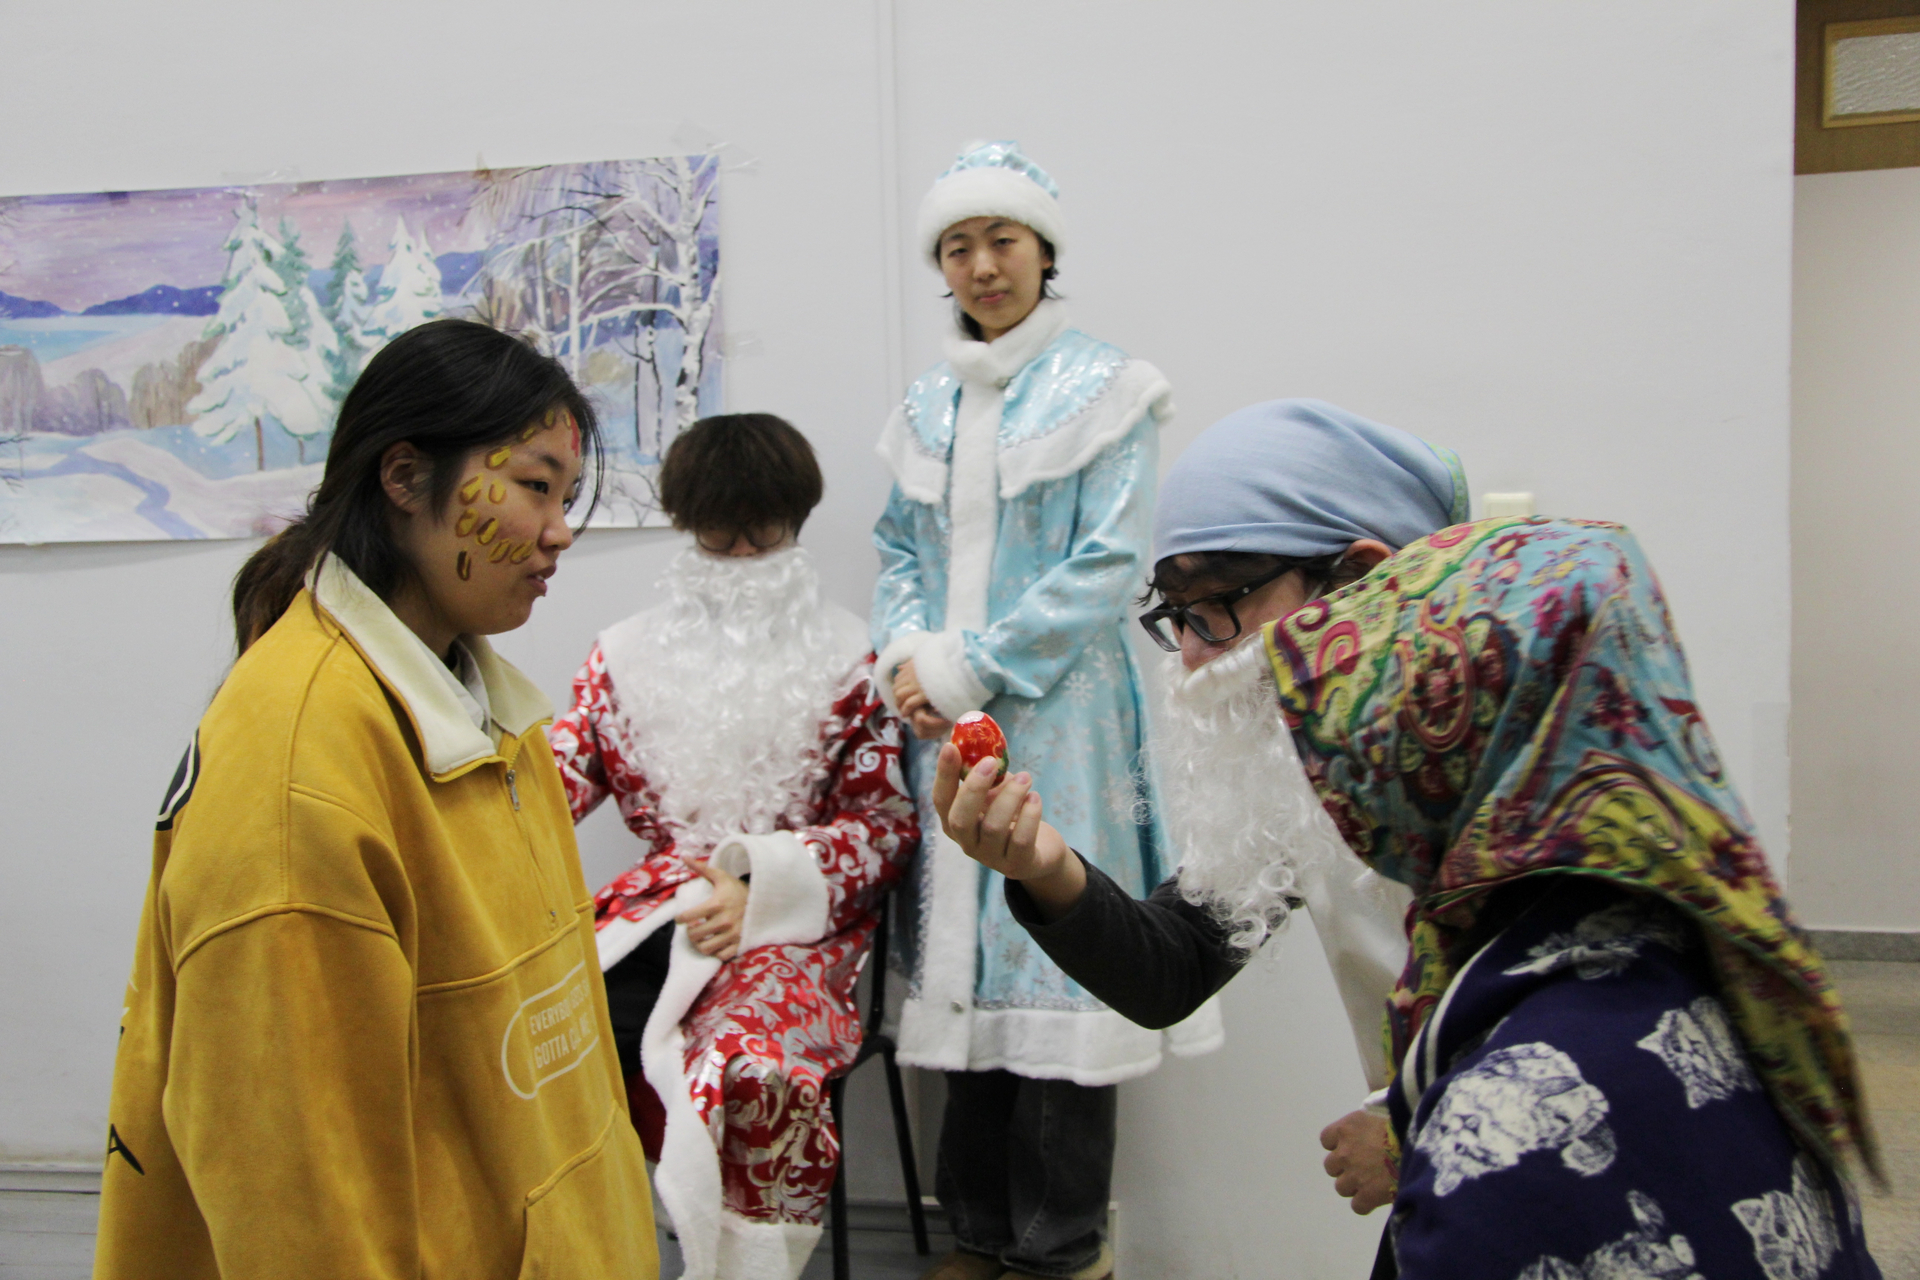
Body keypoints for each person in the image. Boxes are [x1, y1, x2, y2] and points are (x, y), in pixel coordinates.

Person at [934, 399, 1883, 1279]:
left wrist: (1417, 1115)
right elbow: (1172, 968)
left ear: (1361, 578)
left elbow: (1594, 1026)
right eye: (1173, 617)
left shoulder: (1532, 785)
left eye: (1216, 604)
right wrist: (1045, 868)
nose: (1189, 654)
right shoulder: (1316, 768)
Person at [93, 318, 657, 1279]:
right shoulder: (295, 775)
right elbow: (298, 1206)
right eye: (534, 487)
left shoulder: (493, 712)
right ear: (403, 478)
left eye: (566, 497)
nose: (561, 531)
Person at [871, 140, 1214, 1280]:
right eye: (958, 247)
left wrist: (966, 668)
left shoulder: (1108, 387)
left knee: (1063, 955)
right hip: (945, 725)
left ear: (1043, 250)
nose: (982, 266)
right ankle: (974, 1231)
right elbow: (897, 548)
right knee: (965, 974)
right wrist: (907, 660)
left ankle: (1063, 1247)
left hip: (1064, 717)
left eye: (1001, 240)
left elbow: (1106, 568)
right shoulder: (925, 405)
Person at [549, 413, 918, 1280]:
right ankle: (587, 1248)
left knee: (747, 1064)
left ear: (798, 522)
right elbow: (547, 785)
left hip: (795, 925)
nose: (747, 553)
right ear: (688, 525)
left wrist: (763, 889)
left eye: (767, 529)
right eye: (722, 532)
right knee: (541, 1027)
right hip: (658, 908)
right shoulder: (622, 656)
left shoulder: (852, 657)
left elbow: (883, 824)